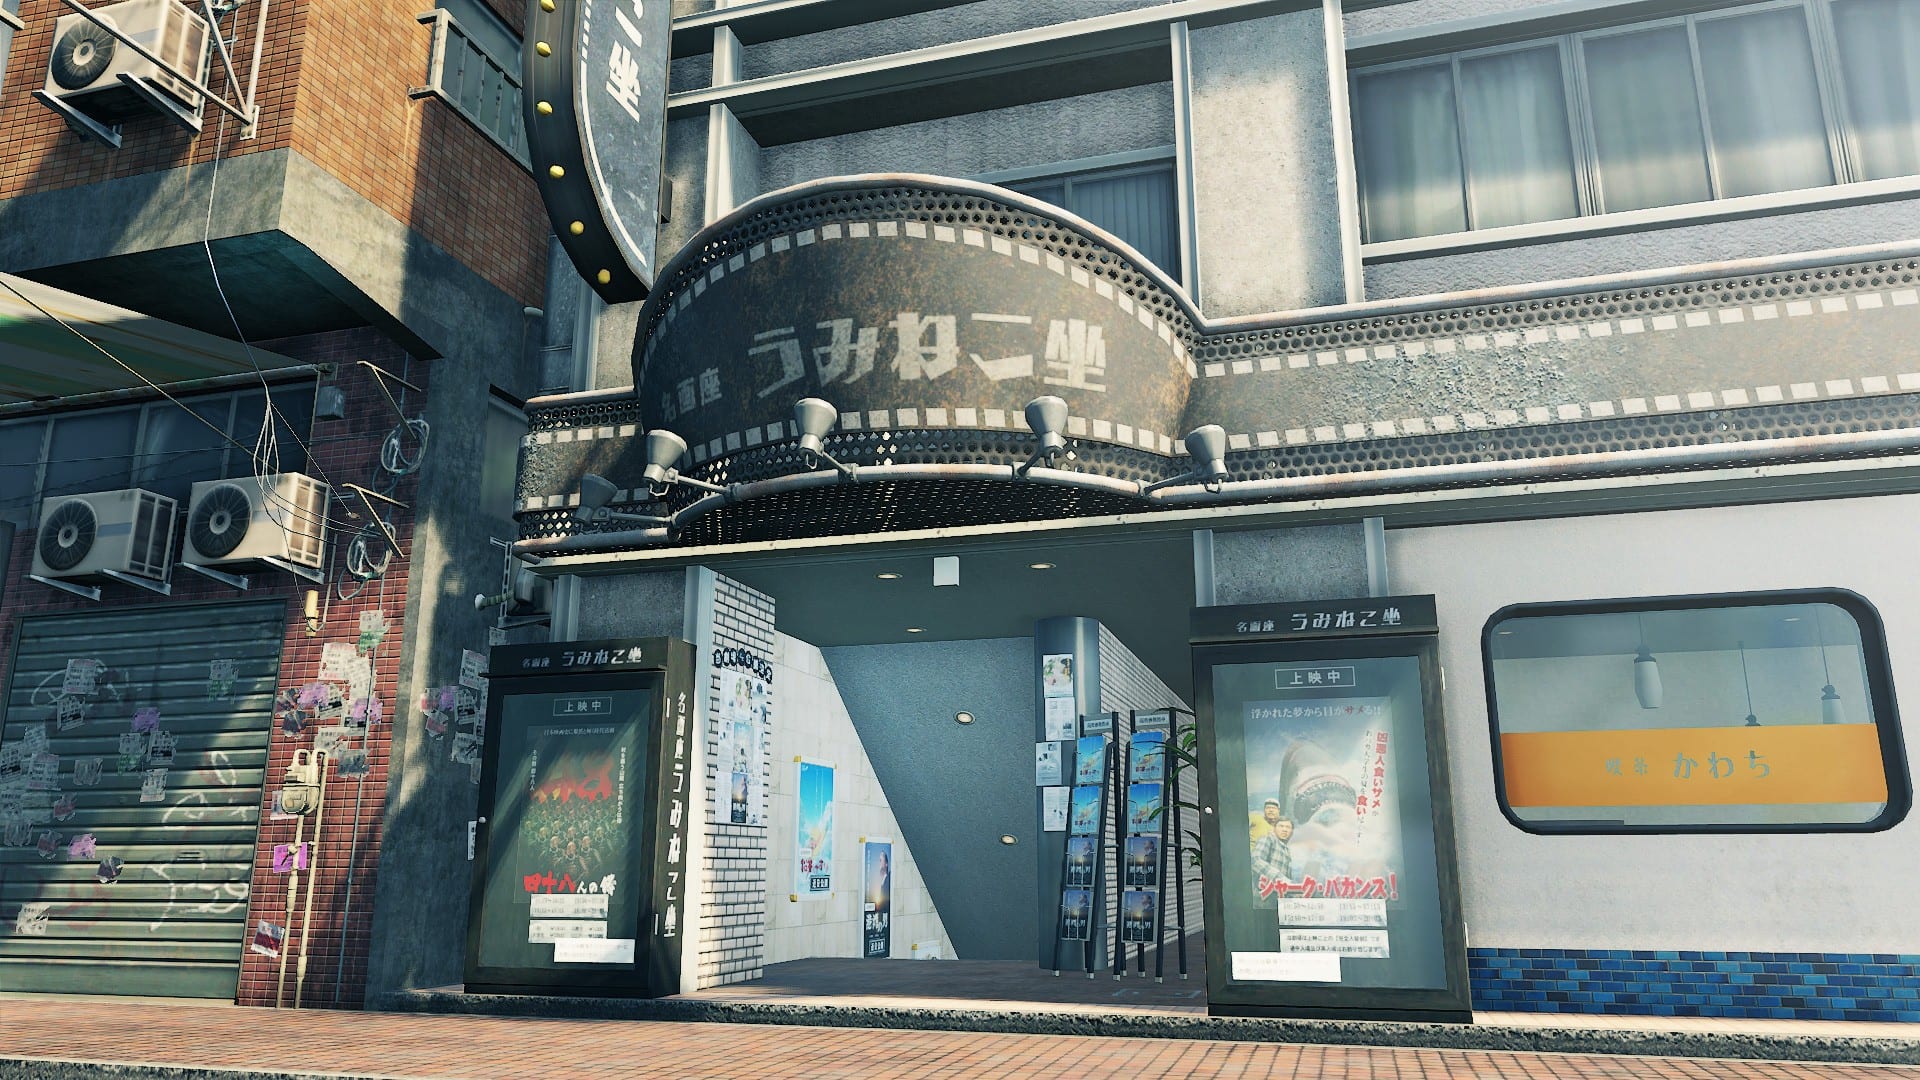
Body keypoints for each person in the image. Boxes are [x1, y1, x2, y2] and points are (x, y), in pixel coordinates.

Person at [1250, 798, 1293, 902]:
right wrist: (1281, 879)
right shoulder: (1258, 821)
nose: (1270, 810)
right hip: (1262, 892)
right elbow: (1255, 860)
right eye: (1268, 808)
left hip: (1276, 895)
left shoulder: (1285, 848)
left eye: (1273, 808)